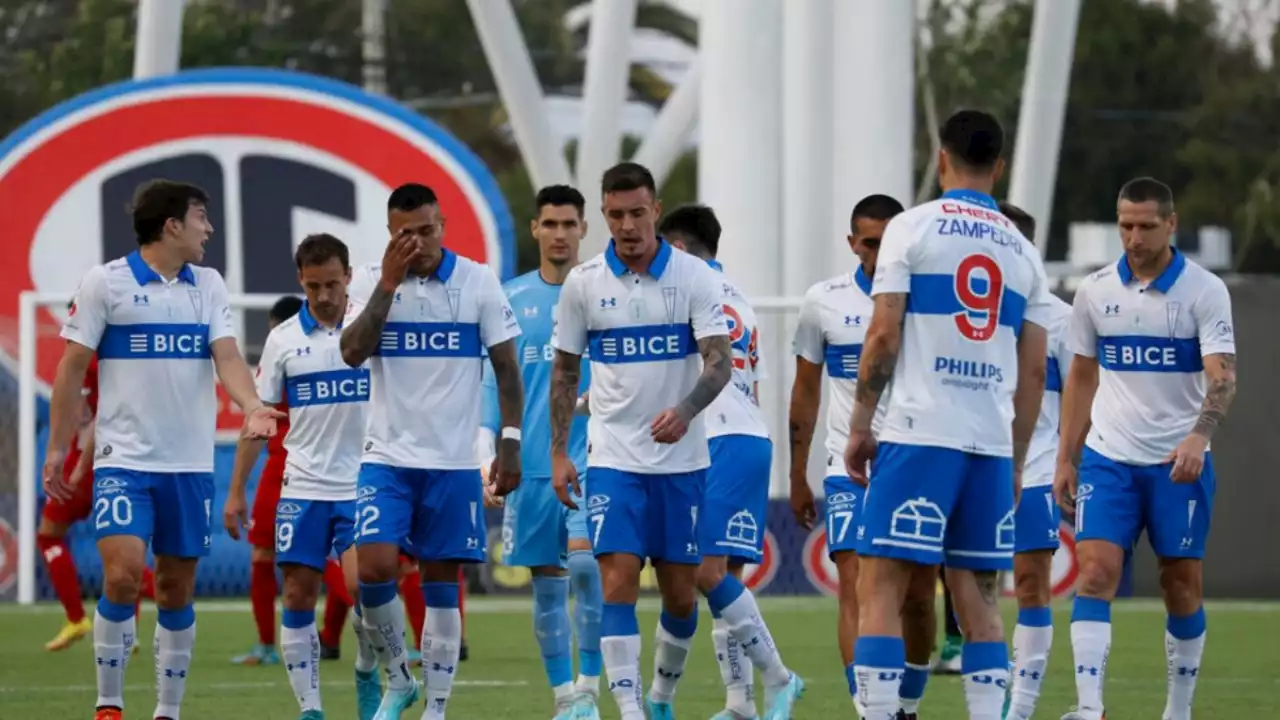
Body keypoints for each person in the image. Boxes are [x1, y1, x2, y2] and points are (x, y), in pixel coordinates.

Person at [43, 180, 282, 720]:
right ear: (172, 225)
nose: (209, 229)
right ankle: (109, 705)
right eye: (201, 217)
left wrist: (250, 405)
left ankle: (167, 711)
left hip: (189, 467)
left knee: (175, 588)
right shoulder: (105, 282)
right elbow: (72, 367)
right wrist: (57, 450)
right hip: (123, 463)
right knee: (124, 574)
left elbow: (225, 355)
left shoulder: (210, 285)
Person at [843, 110, 1054, 720]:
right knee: (979, 596)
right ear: (1001, 166)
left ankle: (881, 713)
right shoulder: (1024, 253)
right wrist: (1015, 460)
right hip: (987, 445)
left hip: (919, 432)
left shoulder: (911, 228)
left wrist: (861, 425)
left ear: (942, 160)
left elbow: (883, 335)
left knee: (880, 581)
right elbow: (1033, 373)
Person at [547, 162, 733, 720]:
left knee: (681, 596)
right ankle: (628, 709)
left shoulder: (695, 278)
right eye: (615, 215)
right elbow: (563, 373)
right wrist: (558, 451)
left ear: (655, 210)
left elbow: (719, 363)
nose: (627, 225)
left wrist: (685, 410)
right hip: (613, 460)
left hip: (682, 462)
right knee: (616, 577)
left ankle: (659, 698)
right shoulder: (583, 285)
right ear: (604, 215)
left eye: (637, 212)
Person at [341, 182, 525, 719]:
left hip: (451, 463)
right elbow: (352, 353)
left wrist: (509, 445)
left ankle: (436, 707)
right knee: (372, 570)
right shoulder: (373, 282)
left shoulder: (478, 281)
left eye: (427, 230)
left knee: (442, 585)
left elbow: (508, 369)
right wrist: (389, 285)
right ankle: (399, 678)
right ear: (391, 234)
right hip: (387, 459)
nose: (418, 241)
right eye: (406, 233)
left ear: (442, 225)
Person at [1055, 178, 1236, 720]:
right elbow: (1082, 375)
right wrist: (1067, 455)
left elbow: (1222, 377)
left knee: (1181, 585)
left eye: (1146, 226)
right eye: (1125, 225)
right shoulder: (1095, 290)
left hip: (1176, 464)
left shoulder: (1204, 291)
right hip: (1108, 458)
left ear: (1171, 224)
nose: (1133, 237)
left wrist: (1198, 436)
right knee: (1094, 573)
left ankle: (1177, 711)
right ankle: (1090, 709)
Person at [788, 194, 939, 719]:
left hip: (917, 462)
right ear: (852, 243)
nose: (878, 252)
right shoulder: (823, 302)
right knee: (854, 583)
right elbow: (805, 391)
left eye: (888, 241)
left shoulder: (929, 300)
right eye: (868, 242)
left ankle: (909, 706)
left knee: (919, 596)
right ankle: (869, 710)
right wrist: (797, 473)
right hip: (846, 468)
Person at [224, 234, 383, 719]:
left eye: (333, 283)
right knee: (296, 591)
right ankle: (310, 708)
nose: (324, 295)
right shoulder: (283, 340)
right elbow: (261, 417)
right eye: (314, 286)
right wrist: (235, 492)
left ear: (349, 277)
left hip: (363, 484)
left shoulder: (373, 326)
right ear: (301, 281)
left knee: (366, 593)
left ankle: (366, 669)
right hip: (304, 485)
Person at [661, 203, 803, 720]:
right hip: (747, 434)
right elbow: (755, 382)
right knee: (726, 579)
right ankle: (740, 703)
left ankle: (780, 677)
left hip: (718, 435)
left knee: (704, 571)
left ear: (675, 248)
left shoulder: (686, 293)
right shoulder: (739, 298)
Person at [477, 185, 604, 720]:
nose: (559, 234)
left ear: (582, 230)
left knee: (586, 569)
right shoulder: (508, 297)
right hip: (529, 466)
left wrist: (596, 399)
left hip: (594, 458)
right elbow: (493, 384)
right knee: (546, 587)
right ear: (535, 229)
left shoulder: (604, 291)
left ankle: (592, 684)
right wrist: (488, 450)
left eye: (568, 224)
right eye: (549, 224)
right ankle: (565, 698)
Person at [990, 201, 1073, 720]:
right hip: (970, 460)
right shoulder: (963, 311)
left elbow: (1083, 397)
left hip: (1037, 468)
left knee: (1028, 583)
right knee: (964, 587)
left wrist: (1072, 460)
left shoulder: (1063, 321)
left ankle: (1018, 709)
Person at [40, 314, 157, 654]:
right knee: (123, 549)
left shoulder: (85, 358)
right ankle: (130, 629)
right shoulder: (119, 355)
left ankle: (77, 618)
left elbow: (87, 416)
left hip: (92, 461)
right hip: (128, 460)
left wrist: (74, 463)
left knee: (50, 534)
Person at [229, 294, 302, 667]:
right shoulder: (328, 352)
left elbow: (257, 424)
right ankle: (375, 638)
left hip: (284, 469)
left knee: (264, 555)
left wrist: (236, 488)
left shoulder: (280, 358)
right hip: (323, 468)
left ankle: (267, 645)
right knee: (336, 559)